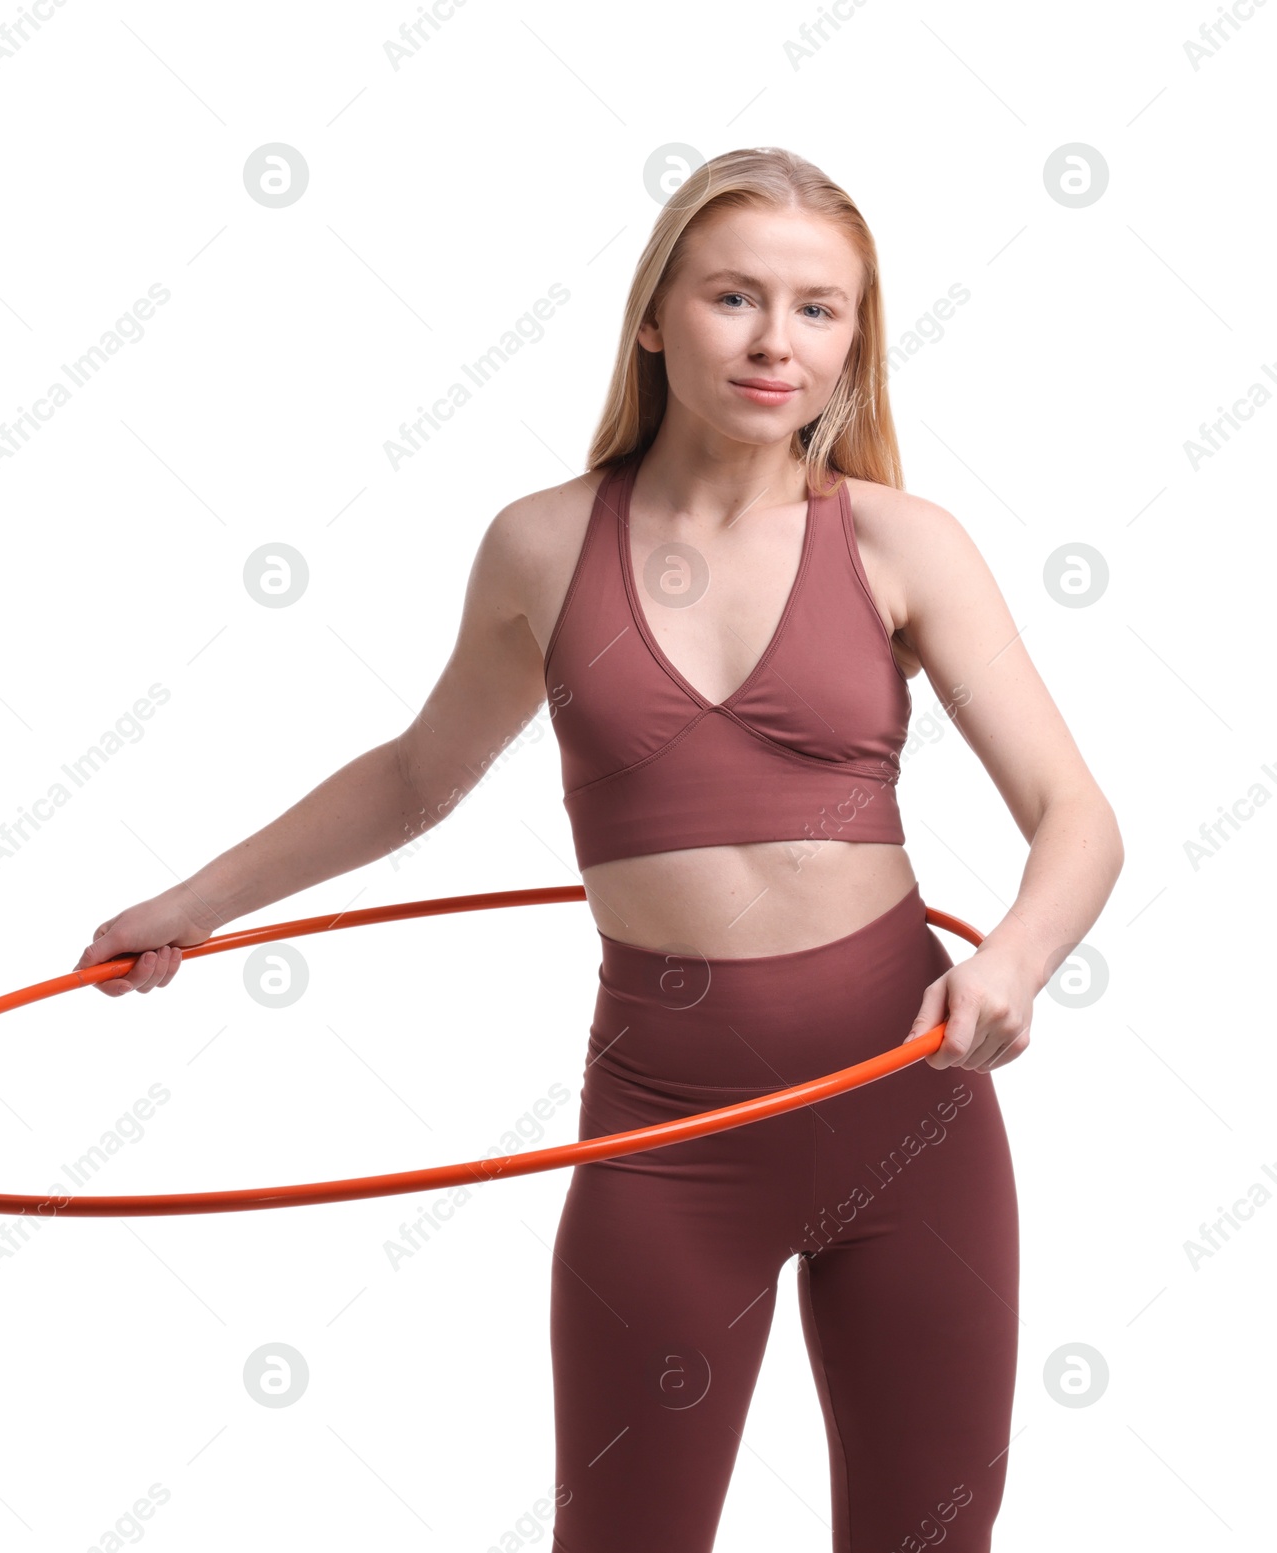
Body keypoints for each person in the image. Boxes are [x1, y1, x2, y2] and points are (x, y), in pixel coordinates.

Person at [73, 147, 1123, 1552]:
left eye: (821, 311)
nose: (776, 343)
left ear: (857, 341)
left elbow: (1078, 816)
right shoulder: (541, 546)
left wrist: (1014, 959)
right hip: (667, 1142)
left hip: (907, 1107)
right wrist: (193, 905)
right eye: (734, 297)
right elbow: (415, 778)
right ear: (652, 316)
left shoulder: (899, 544)